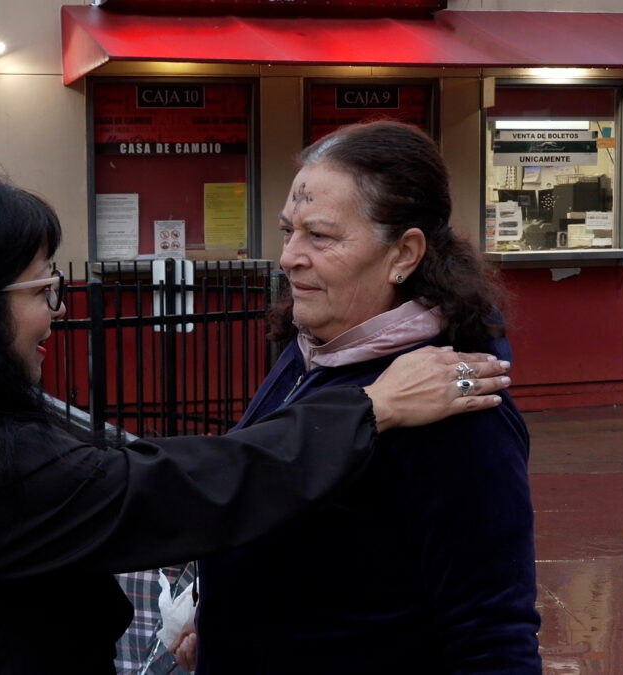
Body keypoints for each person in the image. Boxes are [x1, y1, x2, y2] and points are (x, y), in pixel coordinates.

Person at [0, 165, 512, 674]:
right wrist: (370, 406)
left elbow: (490, 618)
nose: (56, 313)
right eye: (44, 289)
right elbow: (175, 489)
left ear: (404, 251)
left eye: (319, 234)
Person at [173, 120, 541, 673]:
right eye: (287, 231)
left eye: (320, 236)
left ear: (404, 253)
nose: (289, 257)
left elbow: (491, 633)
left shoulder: (455, 407)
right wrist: (227, 619)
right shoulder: (314, 349)